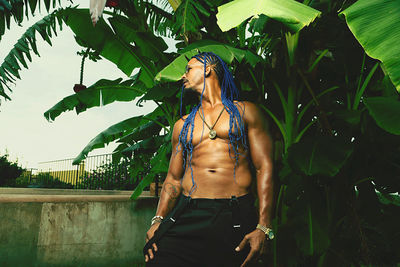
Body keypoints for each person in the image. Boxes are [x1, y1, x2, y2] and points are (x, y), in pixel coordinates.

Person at [143, 51, 274, 267]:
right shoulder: (182, 125)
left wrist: (263, 226)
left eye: (188, 70)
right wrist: (158, 219)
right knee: (157, 258)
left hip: (232, 212)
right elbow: (173, 179)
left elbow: (264, 168)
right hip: (188, 210)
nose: (182, 76)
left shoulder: (246, 112)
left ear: (207, 69)